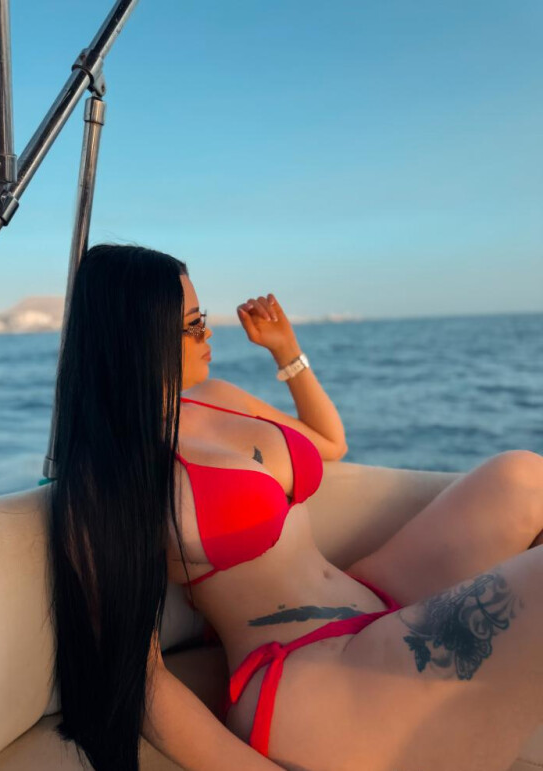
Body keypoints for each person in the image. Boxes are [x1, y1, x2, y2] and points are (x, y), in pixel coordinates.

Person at [49, 243, 543, 771]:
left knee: (523, 477)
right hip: (304, 670)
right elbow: (140, 678)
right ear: (136, 337)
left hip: (368, 597)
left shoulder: (218, 397)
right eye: (192, 326)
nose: (208, 334)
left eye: (203, 318)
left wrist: (286, 351)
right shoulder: (109, 480)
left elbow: (330, 442)